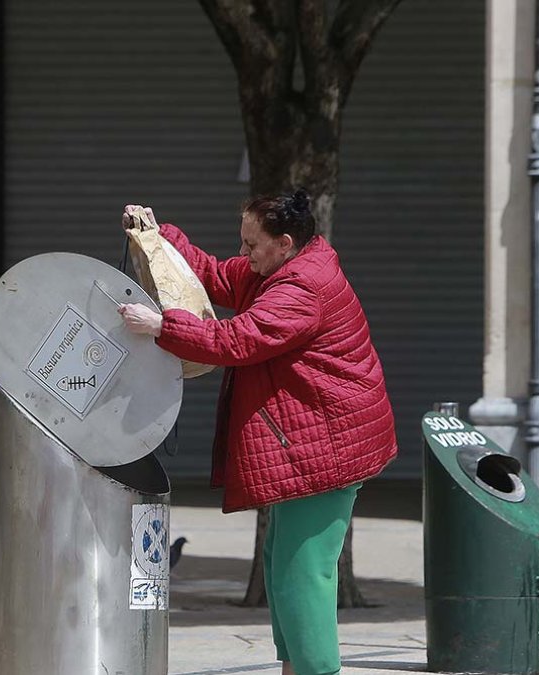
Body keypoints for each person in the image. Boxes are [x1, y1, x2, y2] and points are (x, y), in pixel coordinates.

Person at [118, 190, 398, 675]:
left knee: (302, 572)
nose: (243, 254)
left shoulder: (302, 288)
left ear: (285, 243)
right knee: (282, 563)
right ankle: (296, 668)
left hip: (329, 447)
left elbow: (237, 340)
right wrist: (159, 237)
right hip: (317, 441)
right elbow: (215, 275)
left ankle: (314, 671)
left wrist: (162, 326)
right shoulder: (280, 270)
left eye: (251, 245)